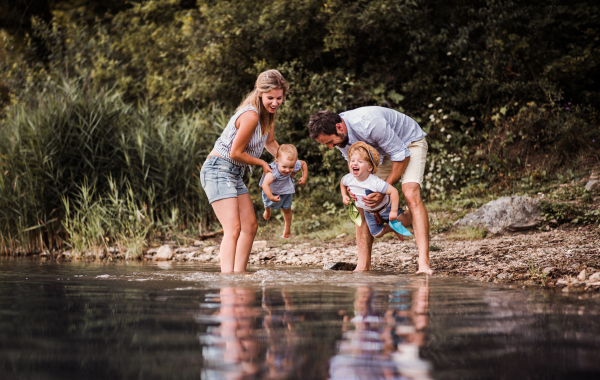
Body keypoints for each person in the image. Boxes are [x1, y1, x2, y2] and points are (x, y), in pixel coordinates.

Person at [308, 106, 432, 274]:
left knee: (410, 193)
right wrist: (354, 187)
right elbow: (352, 162)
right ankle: (363, 265)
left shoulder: (369, 123)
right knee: (360, 198)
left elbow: (401, 156)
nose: (330, 147)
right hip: (379, 153)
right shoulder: (340, 136)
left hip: (408, 143)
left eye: (330, 142)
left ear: (339, 127)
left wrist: (383, 190)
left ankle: (423, 263)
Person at [200, 70, 289, 273]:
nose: (275, 103)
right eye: (270, 98)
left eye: (279, 98)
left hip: (233, 173)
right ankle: (227, 279)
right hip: (218, 169)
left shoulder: (269, 115)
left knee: (250, 226)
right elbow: (236, 152)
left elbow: (270, 142)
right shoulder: (250, 115)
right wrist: (262, 164)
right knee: (233, 229)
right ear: (259, 92)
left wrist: (288, 162)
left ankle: (239, 275)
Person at [340, 141, 412, 240]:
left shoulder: (374, 182)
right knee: (376, 234)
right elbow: (342, 182)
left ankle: (411, 210)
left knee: (405, 222)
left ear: (370, 167)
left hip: (386, 208)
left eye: (360, 161)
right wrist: (344, 195)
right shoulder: (349, 178)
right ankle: (393, 228)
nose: (355, 163)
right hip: (369, 213)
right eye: (352, 161)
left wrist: (393, 211)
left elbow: (393, 191)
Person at [259, 144, 308, 238]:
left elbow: (304, 164)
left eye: (291, 167)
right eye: (284, 167)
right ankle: (267, 210)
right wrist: (271, 197)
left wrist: (304, 177)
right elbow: (265, 185)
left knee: (287, 210)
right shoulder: (273, 172)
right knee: (267, 203)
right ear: (277, 161)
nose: (287, 170)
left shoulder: (293, 163)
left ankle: (287, 226)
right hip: (272, 192)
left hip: (286, 192)